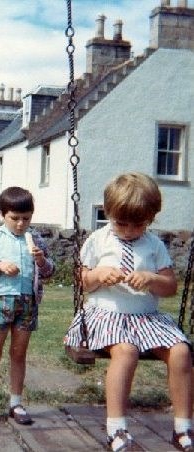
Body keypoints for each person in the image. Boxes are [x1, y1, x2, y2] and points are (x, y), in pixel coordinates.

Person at [64, 173, 192, 452]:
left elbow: (170, 286)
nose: (129, 230)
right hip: (106, 314)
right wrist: (99, 274)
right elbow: (82, 280)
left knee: (181, 351)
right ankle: (117, 429)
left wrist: (151, 279)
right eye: (121, 223)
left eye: (139, 224)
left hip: (146, 317)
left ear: (151, 219)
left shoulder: (154, 245)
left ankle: (183, 428)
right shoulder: (98, 240)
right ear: (109, 213)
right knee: (126, 351)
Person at [0, 186, 55, 428]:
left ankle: (16, 402)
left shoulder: (36, 239)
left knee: (18, 354)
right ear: (3, 214)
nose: (20, 224)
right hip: (0, 303)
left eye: (26, 219)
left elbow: (49, 271)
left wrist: (41, 260)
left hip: (27, 303)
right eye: (14, 218)